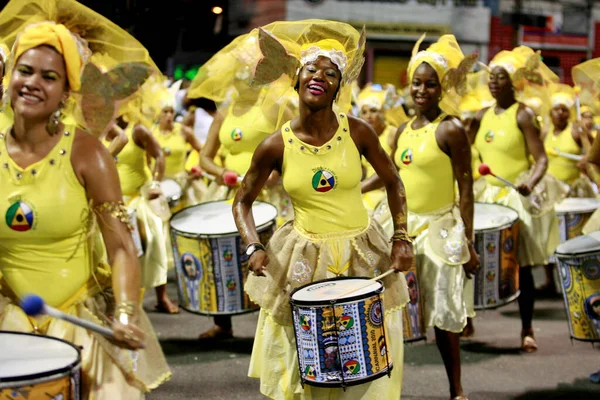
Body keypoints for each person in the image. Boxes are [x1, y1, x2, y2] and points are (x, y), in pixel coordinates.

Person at [232, 20, 411, 400]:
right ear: (296, 80)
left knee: (366, 359)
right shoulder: (273, 146)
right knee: (307, 361)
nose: (319, 77)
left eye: (331, 73)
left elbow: (394, 181)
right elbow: (242, 201)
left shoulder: (359, 131)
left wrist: (401, 236)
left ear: (338, 86)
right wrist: (253, 246)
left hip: (363, 253)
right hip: (302, 257)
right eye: (311, 69)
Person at [0, 13, 170, 400]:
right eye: (24, 70)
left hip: (79, 318)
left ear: (66, 92)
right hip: (8, 317)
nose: (32, 83)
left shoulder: (88, 153)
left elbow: (122, 247)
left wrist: (126, 311)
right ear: (10, 75)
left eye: (49, 77)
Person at [364, 34, 479, 400]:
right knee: (383, 308)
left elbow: (466, 190)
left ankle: (456, 389)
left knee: (444, 312)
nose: (422, 90)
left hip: (441, 228)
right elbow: (391, 174)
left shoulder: (451, 129)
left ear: (442, 88)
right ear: (408, 84)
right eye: (417, 83)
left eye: (431, 84)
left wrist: (469, 244)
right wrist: (352, 187)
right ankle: (379, 386)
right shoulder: (401, 130)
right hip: (402, 225)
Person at [187, 30, 294, 339]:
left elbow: (296, 147)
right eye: (234, 75)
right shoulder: (224, 113)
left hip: (269, 194)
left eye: (245, 74)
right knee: (223, 255)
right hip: (228, 193)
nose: (238, 80)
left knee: (269, 258)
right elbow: (206, 156)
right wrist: (219, 173)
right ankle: (223, 323)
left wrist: (277, 173)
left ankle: (272, 325)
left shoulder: (276, 106)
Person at [469, 46, 565, 353]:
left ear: (514, 83)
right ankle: (465, 319)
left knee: (520, 266)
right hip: (484, 195)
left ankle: (526, 328)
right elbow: (466, 153)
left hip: (514, 197)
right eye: (491, 77)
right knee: (469, 259)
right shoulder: (481, 116)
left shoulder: (523, 114)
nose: (493, 82)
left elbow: (540, 160)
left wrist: (530, 183)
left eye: (500, 77)